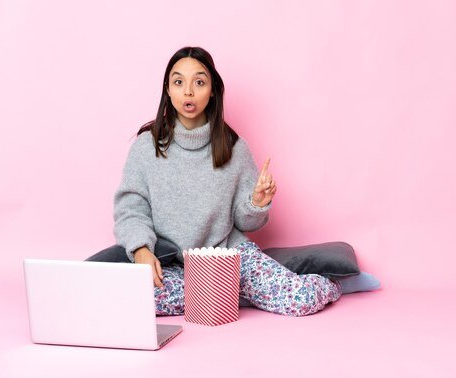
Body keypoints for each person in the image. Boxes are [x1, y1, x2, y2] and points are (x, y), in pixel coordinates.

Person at [87, 46, 341, 317]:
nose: (188, 91)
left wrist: (256, 203)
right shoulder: (146, 147)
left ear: (212, 90)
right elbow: (130, 210)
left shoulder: (234, 147)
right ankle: (231, 294)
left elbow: (247, 223)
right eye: (178, 82)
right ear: (168, 89)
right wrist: (140, 250)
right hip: (175, 265)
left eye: (199, 82)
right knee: (128, 298)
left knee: (300, 300)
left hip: (229, 257)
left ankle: (336, 284)